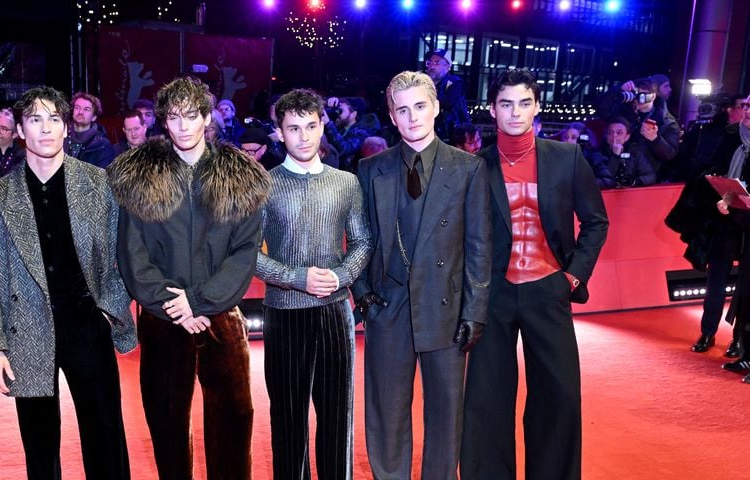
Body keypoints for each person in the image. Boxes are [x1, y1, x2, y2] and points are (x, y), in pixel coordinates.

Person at [0, 86, 137, 479]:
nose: (45, 129)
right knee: (40, 449)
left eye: (54, 119)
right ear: (21, 130)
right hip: (26, 329)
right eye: (35, 120)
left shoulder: (100, 185)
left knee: (106, 439)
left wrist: (108, 313)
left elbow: (123, 258)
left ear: (67, 128)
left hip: (89, 325)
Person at [107, 76, 272, 479]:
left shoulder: (241, 178)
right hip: (163, 320)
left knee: (234, 421)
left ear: (206, 118)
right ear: (164, 122)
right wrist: (175, 305)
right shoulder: (139, 177)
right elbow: (132, 253)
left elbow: (244, 253)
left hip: (221, 316)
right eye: (175, 117)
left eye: (191, 116)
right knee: (166, 425)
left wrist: (199, 300)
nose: (183, 126)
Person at [461, 68, 608, 480]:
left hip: (549, 286)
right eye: (506, 104)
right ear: (492, 110)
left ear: (537, 106)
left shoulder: (567, 157)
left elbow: (596, 222)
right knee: (487, 398)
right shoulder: (475, 166)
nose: (515, 112)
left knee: (559, 396)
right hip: (494, 293)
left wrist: (573, 277)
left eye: (524, 103)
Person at [352, 70, 491, 479]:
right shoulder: (370, 169)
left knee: (446, 416)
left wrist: (475, 311)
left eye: (420, 106)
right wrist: (362, 292)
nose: (413, 117)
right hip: (388, 309)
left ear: (436, 108)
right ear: (392, 117)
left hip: (445, 311)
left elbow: (480, 245)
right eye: (403, 110)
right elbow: (360, 237)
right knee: (386, 413)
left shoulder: (467, 168)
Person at [255, 88, 371, 479]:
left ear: (323, 126)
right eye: (293, 128)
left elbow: (362, 242)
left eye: (311, 126)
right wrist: (296, 278)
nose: (303, 136)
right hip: (284, 314)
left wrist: (340, 276)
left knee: (338, 417)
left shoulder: (346, 183)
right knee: (288, 419)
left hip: (336, 314)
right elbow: (249, 254)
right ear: (279, 133)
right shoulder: (264, 185)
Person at [715, 86, 750, 385]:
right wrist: (729, 198)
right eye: (747, 105)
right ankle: (749, 353)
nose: (748, 111)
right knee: (748, 292)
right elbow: (749, 186)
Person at [320, 96, 380, 171]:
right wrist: (326, 103)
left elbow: (344, 149)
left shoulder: (362, 132)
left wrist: (328, 124)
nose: (338, 114)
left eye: (341, 111)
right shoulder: (339, 129)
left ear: (353, 114)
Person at [424, 48, 471, 143]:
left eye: (437, 63)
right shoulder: (424, 84)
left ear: (447, 66)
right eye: (430, 63)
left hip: (451, 135)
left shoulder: (455, 82)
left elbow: (447, 104)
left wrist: (428, 86)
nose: (432, 66)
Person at [64, 92, 115, 168]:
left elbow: (102, 176)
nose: (80, 112)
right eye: (77, 107)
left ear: (94, 117)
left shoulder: (102, 145)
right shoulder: (61, 137)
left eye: (86, 109)